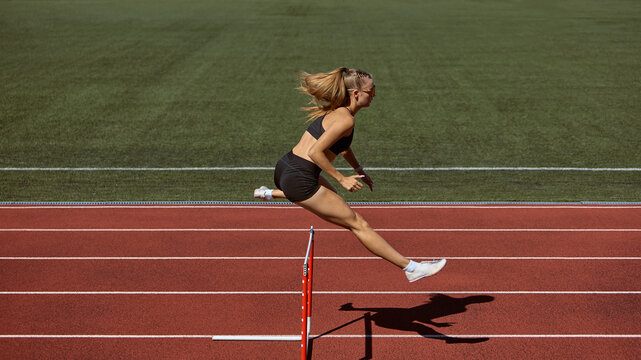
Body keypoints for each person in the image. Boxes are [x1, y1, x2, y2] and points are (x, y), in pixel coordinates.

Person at [253, 67, 446, 282]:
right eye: (371, 91)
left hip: (286, 167)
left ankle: (270, 193)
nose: (374, 95)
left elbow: (342, 147)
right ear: (356, 94)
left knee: (330, 196)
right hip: (300, 176)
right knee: (358, 223)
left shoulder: (339, 112)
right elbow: (315, 152)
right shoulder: (346, 120)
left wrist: (359, 170)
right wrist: (342, 178)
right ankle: (411, 268)